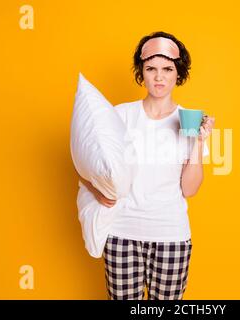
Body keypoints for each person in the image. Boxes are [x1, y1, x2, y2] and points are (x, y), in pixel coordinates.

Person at [78, 31, 215, 300]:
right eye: (151, 68)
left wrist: (199, 142)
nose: (159, 76)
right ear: (142, 72)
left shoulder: (189, 122)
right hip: (121, 235)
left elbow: (189, 189)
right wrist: (97, 192)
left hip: (171, 237)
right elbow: (84, 161)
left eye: (167, 69)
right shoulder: (119, 115)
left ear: (179, 74)